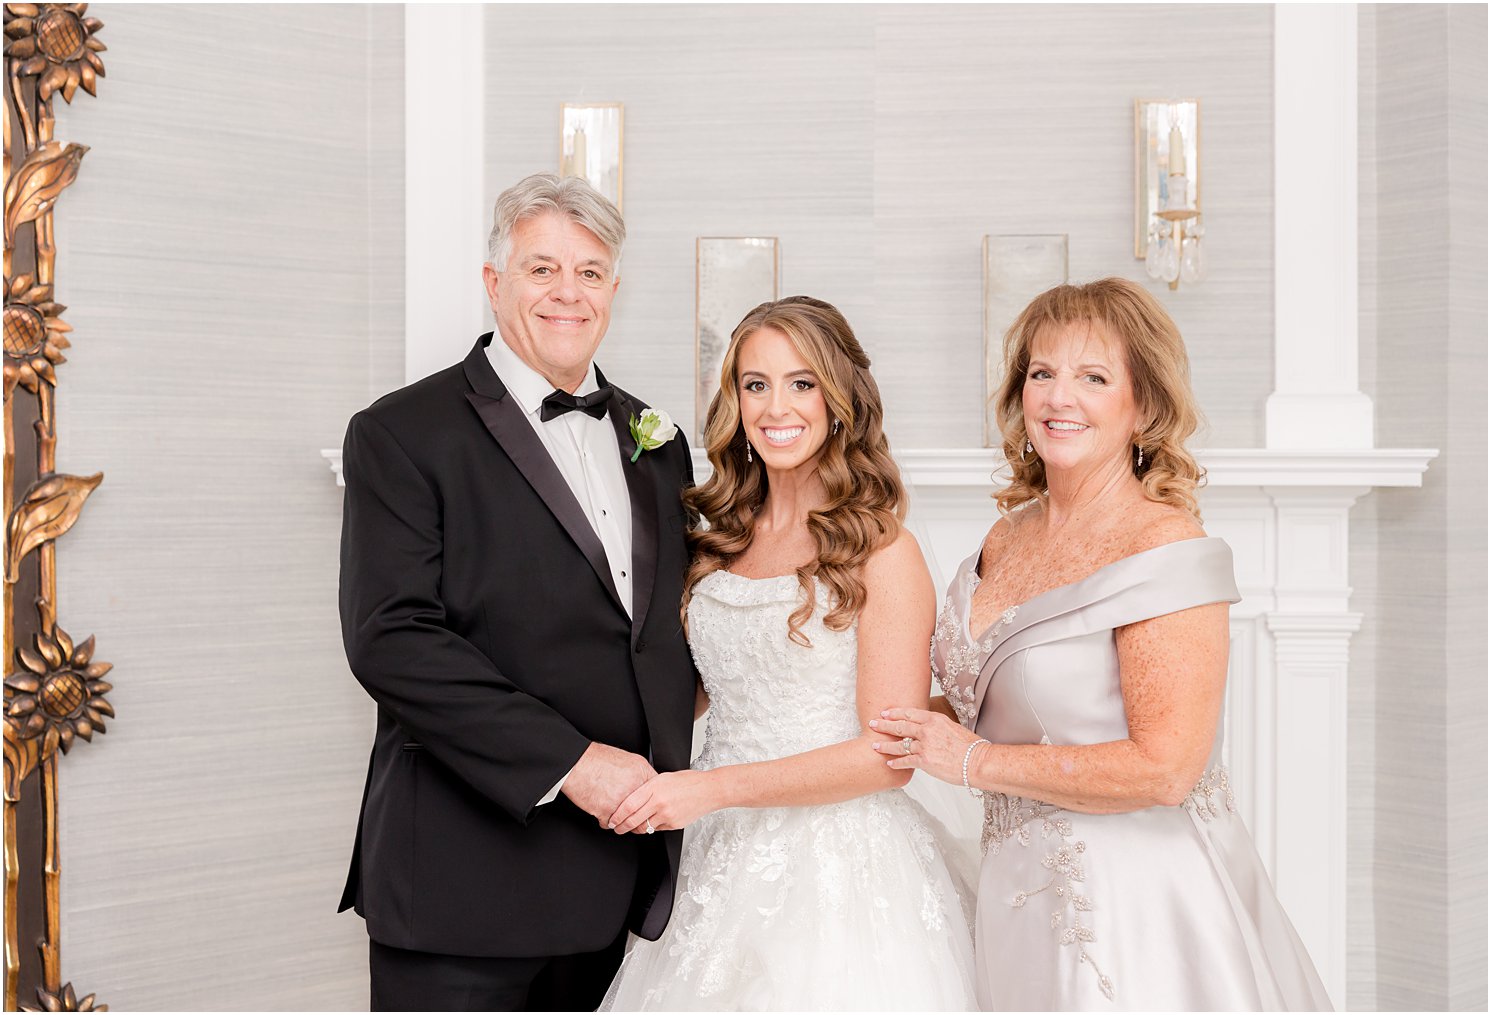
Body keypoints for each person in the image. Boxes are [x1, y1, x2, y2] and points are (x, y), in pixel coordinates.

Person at [873, 278, 1332, 1011]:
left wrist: (970, 762)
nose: (1061, 398)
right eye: (1042, 373)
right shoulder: (1008, 534)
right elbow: (995, 703)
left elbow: (1166, 768)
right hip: (1017, 891)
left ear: (1143, 406)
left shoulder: (1165, 546)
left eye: (1093, 377)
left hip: (1137, 905)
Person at [337, 172, 700, 1011]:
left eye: (590, 271)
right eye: (541, 269)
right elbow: (391, 639)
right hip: (462, 887)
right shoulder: (400, 433)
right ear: (495, 282)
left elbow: (659, 632)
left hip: (623, 883)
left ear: (615, 287)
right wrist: (570, 763)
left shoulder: (660, 439)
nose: (567, 293)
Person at [598, 297, 977, 1011]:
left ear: (839, 400)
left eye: (803, 382)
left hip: (839, 861)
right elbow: (685, 692)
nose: (777, 406)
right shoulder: (715, 541)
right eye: (756, 383)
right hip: (713, 851)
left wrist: (709, 789)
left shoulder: (883, 550)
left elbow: (887, 757)